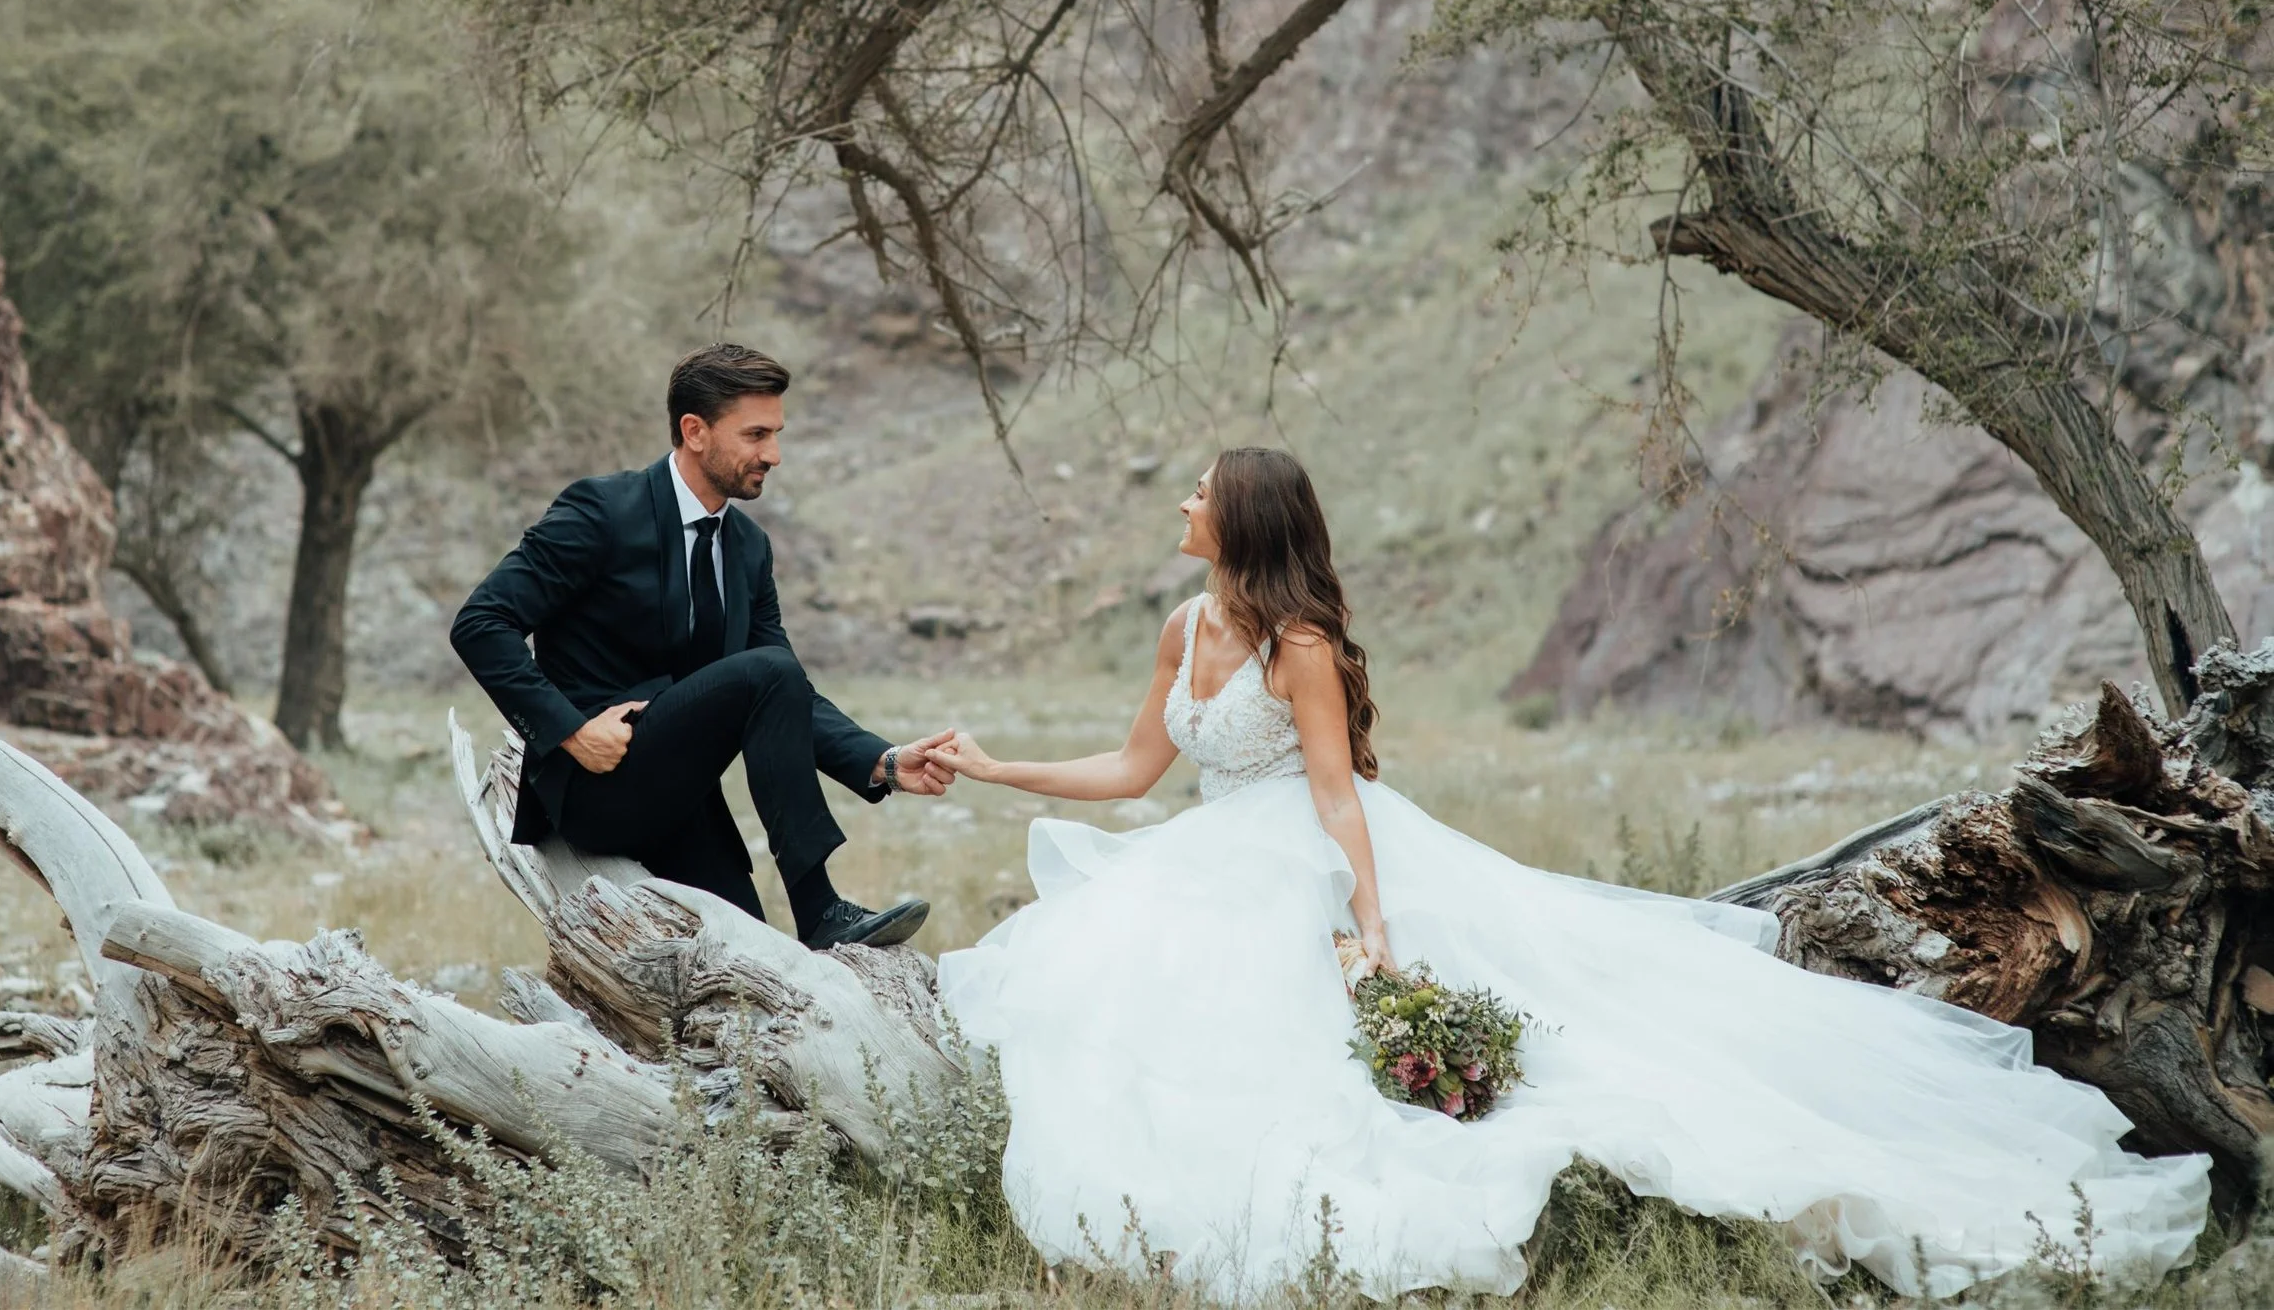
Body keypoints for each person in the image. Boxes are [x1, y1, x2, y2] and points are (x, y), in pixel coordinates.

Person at [934, 446, 2210, 1298]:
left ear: (1242, 518)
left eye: (1197, 491)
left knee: (1435, 1044)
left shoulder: (1299, 642)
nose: (1180, 505)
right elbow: (1132, 768)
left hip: (1304, 854)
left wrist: (1371, 922)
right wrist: (994, 766)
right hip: (1207, 854)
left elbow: (1333, 792)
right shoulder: (1182, 627)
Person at [451, 343, 957, 950]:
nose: (773, 454)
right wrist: (570, 732)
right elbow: (481, 623)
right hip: (595, 790)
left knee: (753, 968)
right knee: (766, 670)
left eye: (776, 434)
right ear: (694, 430)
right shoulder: (602, 512)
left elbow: (786, 689)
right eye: (756, 434)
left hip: (682, 802)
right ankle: (821, 908)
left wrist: (884, 762)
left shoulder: (747, 548)